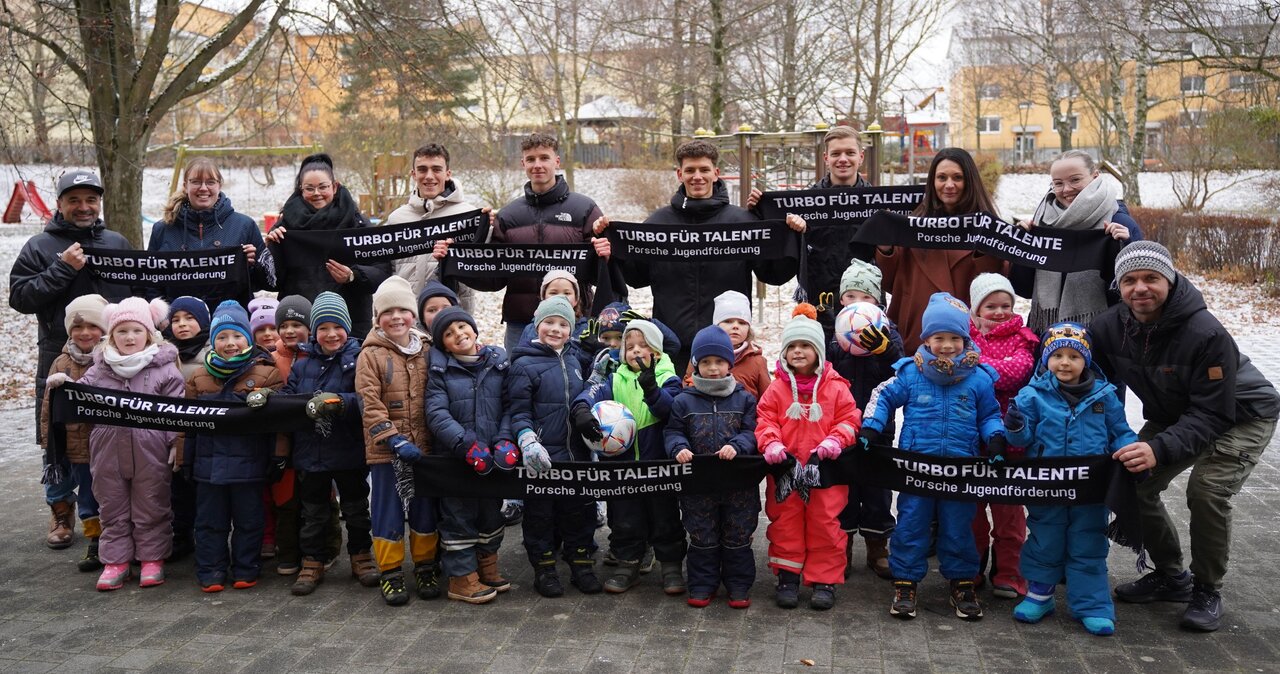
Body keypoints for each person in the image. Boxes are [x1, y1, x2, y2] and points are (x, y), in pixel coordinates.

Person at [1092, 241, 1280, 632]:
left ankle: (1207, 588)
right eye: (1129, 280)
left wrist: (1158, 448)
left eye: (1151, 278)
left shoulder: (1205, 331)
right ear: (1118, 286)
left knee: (1206, 491)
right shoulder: (1108, 327)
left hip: (1243, 414)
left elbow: (1213, 413)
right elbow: (1094, 383)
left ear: (1170, 280)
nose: (1140, 288)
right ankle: (1171, 576)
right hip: (1174, 412)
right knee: (1134, 481)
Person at [859, 292, 1007, 621]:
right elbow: (883, 396)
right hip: (917, 469)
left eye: (955, 338)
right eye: (939, 338)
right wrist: (871, 427)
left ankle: (962, 582)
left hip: (959, 470)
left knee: (958, 527)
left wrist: (996, 438)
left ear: (965, 339)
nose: (947, 345)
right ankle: (905, 582)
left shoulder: (979, 378)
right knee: (911, 524)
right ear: (926, 339)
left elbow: (989, 415)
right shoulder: (911, 373)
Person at [603, 139, 806, 373]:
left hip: (728, 347)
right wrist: (612, 245)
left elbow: (772, 273)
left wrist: (792, 236)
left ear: (716, 173)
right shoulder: (658, 223)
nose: (697, 176)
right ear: (680, 174)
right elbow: (637, 276)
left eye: (704, 169)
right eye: (690, 170)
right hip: (671, 347)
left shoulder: (741, 222)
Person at [9, 170, 130, 546]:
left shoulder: (117, 242)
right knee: (58, 435)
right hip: (58, 357)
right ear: (59, 204)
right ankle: (61, 510)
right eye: (74, 200)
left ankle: (110, 513)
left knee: (108, 434)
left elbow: (138, 292)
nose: (83, 207)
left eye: (91, 200)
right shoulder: (39, 246)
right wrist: (62, 268)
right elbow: (20, 298)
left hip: (114, 358)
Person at [1004, 323, 1138, 636]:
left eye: (1074, 356)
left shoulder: (1105, 396)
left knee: (1088, 542)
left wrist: (1130, 451)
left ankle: (1092, 605)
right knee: (1045, 539)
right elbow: (1021, 440)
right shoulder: (1032, 396)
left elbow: (1120, 432)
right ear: (1046, 360)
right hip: (1046, 487)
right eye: (1057, 356)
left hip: (1090, 489)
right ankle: (1040, 595)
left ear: (1086, 361)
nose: (1065, 362)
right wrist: (1014, 427)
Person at [48, 297, 184, 591]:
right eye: (122, 331)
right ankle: (116, 561)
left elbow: (175, 410)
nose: (129, 337)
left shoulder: (165, 370)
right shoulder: (100, 368)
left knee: (152, 504)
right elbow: (83, 393)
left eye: (136, 330)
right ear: (111, 335)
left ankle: (151, 559)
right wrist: (66, 384)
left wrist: (175, 442)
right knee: (112, 506)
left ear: (148, 334)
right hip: (107, 448)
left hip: (151, 450)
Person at [442, 133, 611, 351]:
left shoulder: (584, 209)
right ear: (523, 163)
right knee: (519, 374)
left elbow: (602, 270)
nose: (537, 165)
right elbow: (493, 277)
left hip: (574, 321)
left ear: (557, 161)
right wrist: (455, 260)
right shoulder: (508, 215)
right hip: (521, 323)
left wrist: (607, 255)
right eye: (531, 159)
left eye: (544, 158)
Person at [265, 291, 379, 596]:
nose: (331, 334)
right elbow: (289, 397)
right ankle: (312, 560)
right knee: (313, 512)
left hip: (349, 450)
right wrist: (270, 398)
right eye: (323, 328)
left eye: (337, 327)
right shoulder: (303, 364)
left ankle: (361, 556)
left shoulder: (359, 359)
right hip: (311, 452)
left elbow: (365, 398)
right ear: (314, 331)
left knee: (356, 509)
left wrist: (339, 402)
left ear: (347, 328)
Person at [757, 305, 861, 610]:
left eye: (805, 345)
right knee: (785, 521)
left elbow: (850, 418)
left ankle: (824, 579)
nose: (798, 352)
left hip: (825, 470)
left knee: (825, 523)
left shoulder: (836, 387)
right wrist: (772, 445)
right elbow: (765, 419)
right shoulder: (777, 388)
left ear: (819, 351)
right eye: (792, 346)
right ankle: (788, 575)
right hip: (786, 468)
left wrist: (835, 440)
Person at [573, 320, 686, 595]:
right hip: (622, 466)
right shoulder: (614, 379)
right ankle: (628, 563)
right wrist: (581, 410)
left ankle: (671, 565)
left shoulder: (668, 378)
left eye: (643, 345)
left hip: (658, 463)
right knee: (625, 516)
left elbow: (671, 411)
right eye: (629, 346)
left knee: (665, 516)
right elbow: (589, 393)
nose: (635, 350)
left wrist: (652, 390)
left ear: (656, 351)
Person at [179, 301, 285, 592]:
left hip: (250, 465)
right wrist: (184, 460)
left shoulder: (267, 374)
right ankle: (211, 570)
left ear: (248, 339)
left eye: (237, 336)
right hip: (207, 467)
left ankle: (246, 567)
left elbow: (279, 422)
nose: (230, 343)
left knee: (249, 521)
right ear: (213, 341)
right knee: (209, 522)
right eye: (222, 336)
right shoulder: (198, 377)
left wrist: (278, 456)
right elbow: (186, 425)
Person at [506, 296, 602, 597]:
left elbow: (588, 391)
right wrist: (527, 439)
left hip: (577, 455)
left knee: (580, 512)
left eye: (563, 324)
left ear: (571, 329)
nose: (556, 329)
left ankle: (581, 565)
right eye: (549, 322)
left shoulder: (575, 359)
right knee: (540, 516)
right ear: (538, 325)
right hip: (543, 457)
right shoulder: (523, 364)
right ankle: (544, 569)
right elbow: (518, 411)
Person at [355, 277, 441, 606]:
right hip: (386, 451)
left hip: (423, 448)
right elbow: (369, 402)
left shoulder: (428, 349)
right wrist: (392, 439)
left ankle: (425, 565)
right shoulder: (370, 355)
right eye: (387, 312)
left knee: (424, 508)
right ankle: (390, 570)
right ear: (377, 318)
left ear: (413, 315)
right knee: (386, 509)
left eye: (402, 310)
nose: (395, 317)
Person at [426, 306, 519, 604]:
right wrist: (465, 444)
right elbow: (437, 414)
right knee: (458, 518)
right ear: (444, 345)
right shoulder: (441, 371)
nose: (458, 334)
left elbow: (510, 406)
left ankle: (486, 565)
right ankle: (461, 577)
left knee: (490, 513)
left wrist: (505, 439)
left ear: (474, 330)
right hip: (457, 459)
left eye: (462, 327)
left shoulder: (497, 363)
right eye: (449, 334)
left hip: (491, 459)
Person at [746, 125, 874, 338]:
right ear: (826, 158)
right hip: (819, 306)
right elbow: (779, 259)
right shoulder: (804, 204)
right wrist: (760, 212)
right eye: (836, 153)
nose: (843, 159)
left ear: (861, 157)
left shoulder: (879, 202)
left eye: (850, 153)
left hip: (866, 308)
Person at [875, 148, 1007, 353]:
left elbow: (997, 285)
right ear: (932, 182)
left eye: (957, 178)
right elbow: (890, 282)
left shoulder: (989, 227)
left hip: (965, 341)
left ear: (970, 181)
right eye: (942, 177)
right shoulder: (912, 225)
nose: (949, 185)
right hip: (916, 335)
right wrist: (886, 248)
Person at [665, 325, 760, 608]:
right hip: (699, 485)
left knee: (738, 534)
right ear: (696, 364)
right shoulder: (684, 400)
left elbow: (753, 431)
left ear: (730, 363)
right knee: (701, 535)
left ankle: (738, 585)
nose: (713, 368)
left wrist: (739, 445)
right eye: (706, 362)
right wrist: (679, 447)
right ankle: (702, 584)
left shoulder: (744, 398)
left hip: (738, 485)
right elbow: (673, 431)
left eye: (719, 361)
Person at [826, 259, 902, 580]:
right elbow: (824, 370)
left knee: (877, 488)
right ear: (841, 298)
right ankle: (840, 546)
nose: (858, 303)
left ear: (878, 301)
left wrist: (886, 351)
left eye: (866, 297)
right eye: (851, 296)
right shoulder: (834, 334)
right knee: (843, 487)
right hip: (840, 426)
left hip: (878, 425)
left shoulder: (888, 332)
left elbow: (899, 371)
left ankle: (877, 546)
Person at [1013, 150, 1142, 333]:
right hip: (1048, 336)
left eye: (1075, 180)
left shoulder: (1119, 223)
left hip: (1102, 335)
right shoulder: (1042, 221)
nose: (1066, 189)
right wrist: (1021, 247)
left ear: (1095, 176)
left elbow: (1135, 289)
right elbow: (1024, 288)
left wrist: (1126, 246)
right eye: (1058, 183)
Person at [264, 153, 391, 336]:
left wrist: (353, 276)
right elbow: (270, 281)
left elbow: (382, 272)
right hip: (301, 325)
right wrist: (271, 250)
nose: (317, 193)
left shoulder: (357, 223)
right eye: (310, 188)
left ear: (335, 186)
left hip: (351, 325)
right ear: (301, 190)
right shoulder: (285, 226)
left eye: (323, 187)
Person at [967, 273, 1037, 599]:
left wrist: (978, 365)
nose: (999, 312)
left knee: (1009, 512)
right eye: (990, 306)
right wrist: (991, 365)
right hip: (971, 438)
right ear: (976, 309)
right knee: (972, 512)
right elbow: (959, 368)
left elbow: (1016, 373)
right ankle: (971, 566)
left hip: (1010, 441)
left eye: (1005, 305)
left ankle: (1009, 571)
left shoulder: (1023, 338)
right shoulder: (963, 336)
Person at [39, 294, 109, 570]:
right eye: (77, 327)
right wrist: (50, 444)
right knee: (89, 499)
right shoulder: (60, 363)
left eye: (92, 326)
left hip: (108, 444)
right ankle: (95, 541)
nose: (85, 333)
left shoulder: (113, 359)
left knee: (111, 496)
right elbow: (48, 407)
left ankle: (118, 539)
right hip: (77, 446)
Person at [147, 158, 267, 307]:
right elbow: (151, 284)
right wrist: (163, 316)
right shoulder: (163, 229)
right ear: (185, 186)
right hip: (179, 319)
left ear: (219, 185)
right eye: (196, 182)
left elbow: (265, 282)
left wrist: (252, 265)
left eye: (210, 182)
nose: (203, 188)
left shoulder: (244, 226)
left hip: (230, 319)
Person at [384, 143, 481, 309]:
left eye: (436, 169)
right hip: (407, 316)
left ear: (448, 174)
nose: (429, 176)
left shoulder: (469, 216)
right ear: (413, 174)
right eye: (422, 170)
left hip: (453, 315)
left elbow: (481, 270)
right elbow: (386, 273)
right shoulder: (396, 219)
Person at [162, 296, 212, 562]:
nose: (182, 324)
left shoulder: (213, 352)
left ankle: (207, 538)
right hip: (172, 433)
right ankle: (181, 534)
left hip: (204, 432)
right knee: (177, 488)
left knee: (202, 488)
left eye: (189, 318)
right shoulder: (163, 354)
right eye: (176, 319)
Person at [681, 291, 771, 399]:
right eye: (728, 321)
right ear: (716, 325)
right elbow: (687, 386)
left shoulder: (757, 362)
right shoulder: (701, 354)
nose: (735, 326)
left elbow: (767, 398)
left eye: (742, 323)